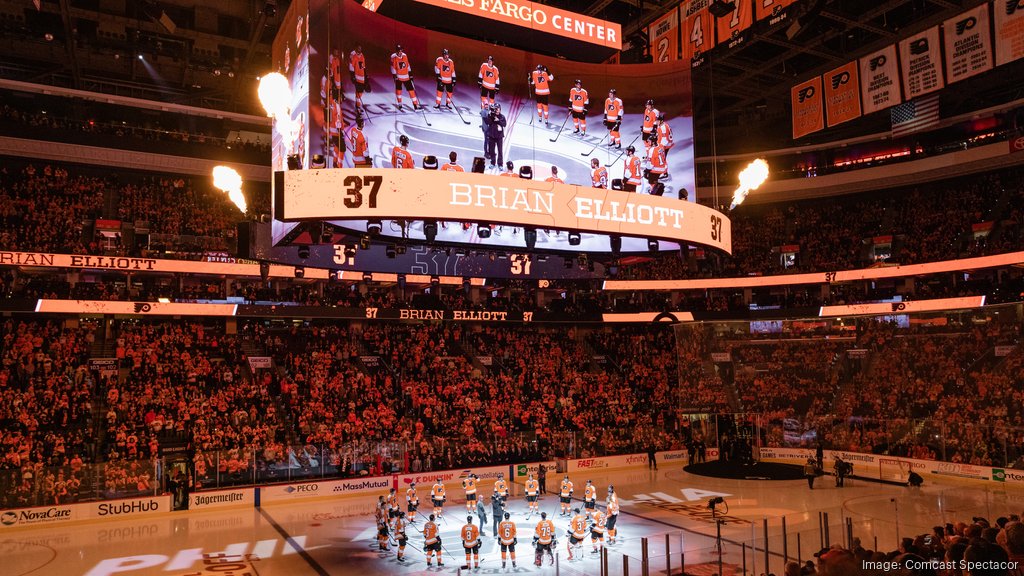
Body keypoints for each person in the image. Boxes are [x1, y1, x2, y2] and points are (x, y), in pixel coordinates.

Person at [389, 44, 420, 109]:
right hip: (398, 77)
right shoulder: (393, 57)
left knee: (411, 90)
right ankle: (400, 104)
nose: (400, 52)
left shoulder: (405, 55)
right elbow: (393, 67)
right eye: (399, 51)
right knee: (399, 90)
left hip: (406, 76)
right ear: (396, 51)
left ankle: (415, 105)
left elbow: (407, 65)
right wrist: (394, 76)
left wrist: (410, 74)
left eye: (401, 50)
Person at [482, 103, 507, 168]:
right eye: (496, 109)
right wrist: (489, 116)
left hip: (499, 136)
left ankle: (500, 164)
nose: (497, 110)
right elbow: (488, 122)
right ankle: (493, 163)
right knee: (492, 150)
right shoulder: (491, 115)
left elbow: (504, 124)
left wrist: (498, 121)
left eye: (498, 109)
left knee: (500, 151)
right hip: (492, 135)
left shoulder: (502, 117)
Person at [348, 44, 367, 111]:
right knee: (358, 92)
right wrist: (352, 76)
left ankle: (358, 105)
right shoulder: (354, 56)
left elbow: (363, 66)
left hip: (362, 77)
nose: (360, 49)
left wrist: (365, 75)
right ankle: (357, 106)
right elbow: (351, 66)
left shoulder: (362, 56)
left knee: (361, 91)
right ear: (356, 48)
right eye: (358, 48)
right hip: (356, 76)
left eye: (360, 48)